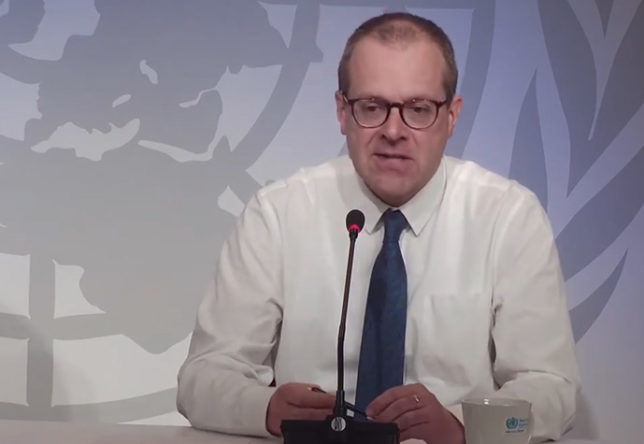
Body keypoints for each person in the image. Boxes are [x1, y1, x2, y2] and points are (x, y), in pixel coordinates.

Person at [177, 12, 579, 444]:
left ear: (451, 116)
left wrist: (462, 425)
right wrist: (267, 408)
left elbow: (550, 387)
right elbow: (203, 377)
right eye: (372, 107)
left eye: (418, 109)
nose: (393, 130)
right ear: (342, 112)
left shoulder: (509, 217)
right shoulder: (277, 214)